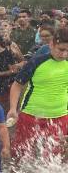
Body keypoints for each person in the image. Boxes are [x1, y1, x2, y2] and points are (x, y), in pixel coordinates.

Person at [7, 27, 68, 158]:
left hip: (60, 116)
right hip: (31, 115)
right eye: (61, 49)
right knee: (21, 152)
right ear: (51, 44)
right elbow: (17, 85)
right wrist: (12, 108)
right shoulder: (36, 61)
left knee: (54, 156)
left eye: (67, 51)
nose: (64, 54)